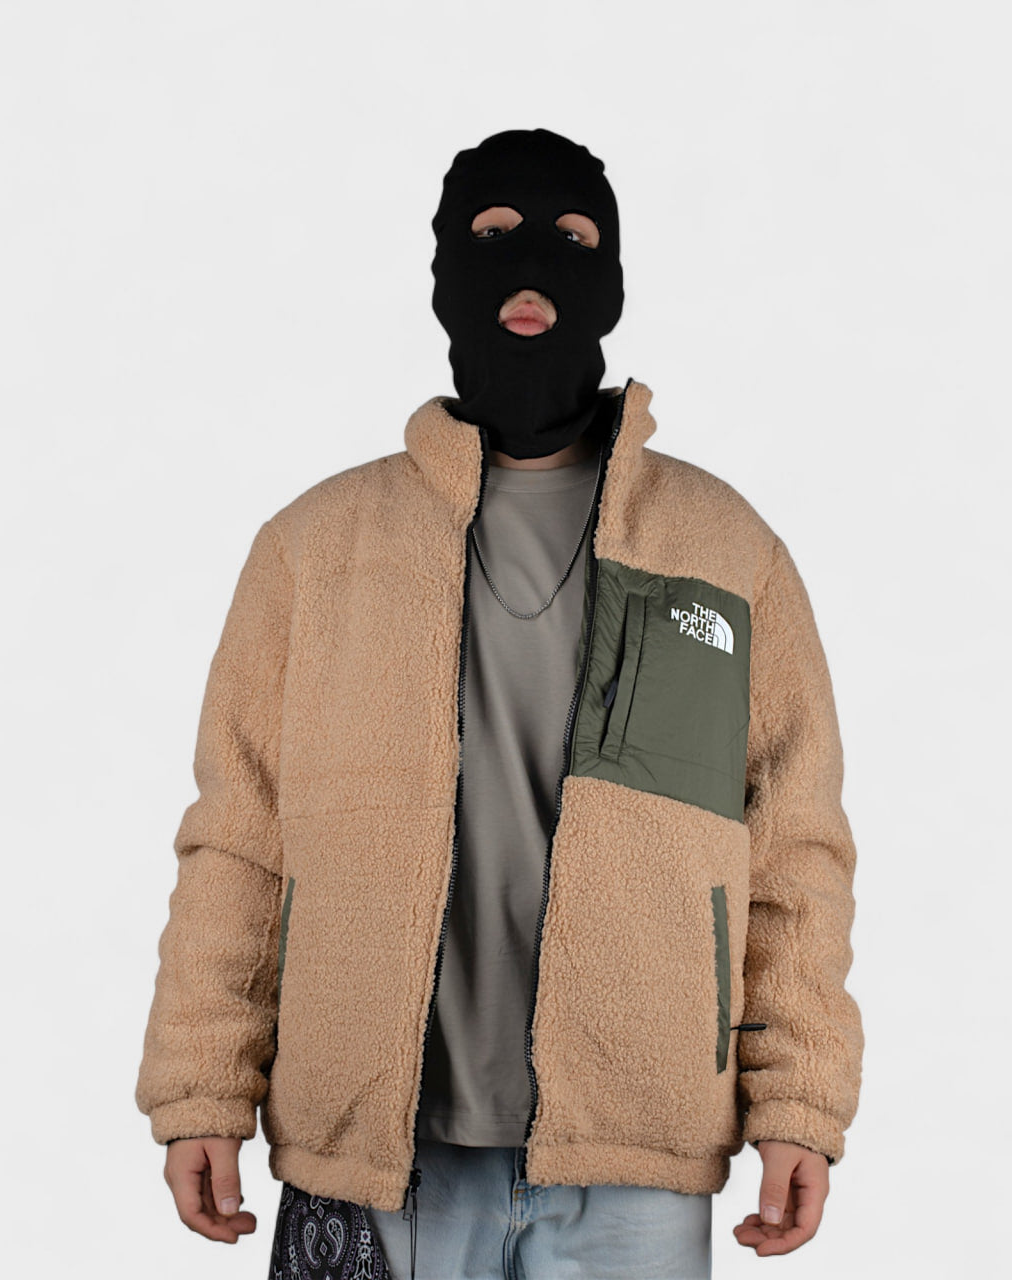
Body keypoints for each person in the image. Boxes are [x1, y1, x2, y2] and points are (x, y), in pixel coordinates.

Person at [135, 128, 864, 1280]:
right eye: (492, 235)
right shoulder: (315, 547)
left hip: (637, 1150)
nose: (531, 267)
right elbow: (238, 836)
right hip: (376, 1146)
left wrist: (799, 1101)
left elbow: (792, 851)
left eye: (570, 238)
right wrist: (201, 1085)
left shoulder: (724, 546)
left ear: (611, 282)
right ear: (442, 275)